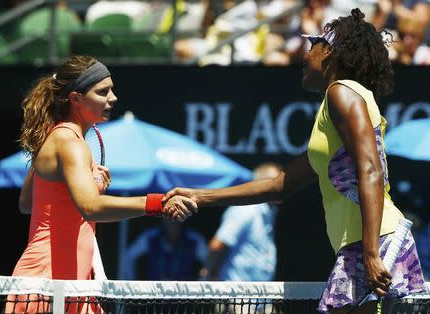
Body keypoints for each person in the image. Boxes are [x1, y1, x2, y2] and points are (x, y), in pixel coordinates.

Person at [165, 8, 427, 314]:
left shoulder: (340, 93)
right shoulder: (334, 109)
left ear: (330, 51)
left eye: (313, 42)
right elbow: (278, 186)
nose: (306, 53)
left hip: (372, 242)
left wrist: (370, 253)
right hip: (369, 241)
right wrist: (199, 196)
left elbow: (370, 169)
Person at [6, 55, 197, 314]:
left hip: (73, 284)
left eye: (112, 90)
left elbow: (28, 203)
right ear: (76, 99)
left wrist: (84, 186)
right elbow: (90, 207)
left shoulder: (58, 137)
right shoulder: (69, 143)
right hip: (47, 284)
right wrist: (158, 203)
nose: (113, 98)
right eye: (103, 91)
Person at [202, 162, 282, 282]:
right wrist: (210, 277)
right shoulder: (245, 209)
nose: (281, 187)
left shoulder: (270, 212)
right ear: (261, 184)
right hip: (234, 297)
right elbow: (217, 246)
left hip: (258, 298)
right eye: (275, 183)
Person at [121, 219, 207, 281]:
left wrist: (199, 286)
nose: (173, 221)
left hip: (184, 298)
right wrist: (133, 284)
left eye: (176, 218)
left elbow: (210, 263)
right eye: (169, 217)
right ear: (162, 218)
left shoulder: (194, 240)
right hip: (155, 298)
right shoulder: (149, 237)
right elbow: (128, 257)